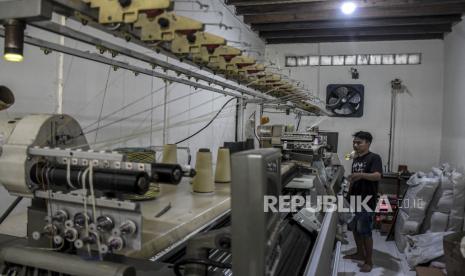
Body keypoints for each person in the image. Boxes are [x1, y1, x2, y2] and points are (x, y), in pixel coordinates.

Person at [343, 131, 382, 273]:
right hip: (354, 198)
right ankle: (359, 253)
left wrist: (360, 175)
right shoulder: (356, 158)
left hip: (367, 200)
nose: (355, 145)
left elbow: (377, 176)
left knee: (365, 231)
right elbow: (354, 177)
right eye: (354, 142)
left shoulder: (374, 158)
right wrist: (349, 190)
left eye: (359, 142)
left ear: (368, 143)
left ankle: (369, 261)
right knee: (354, 228)